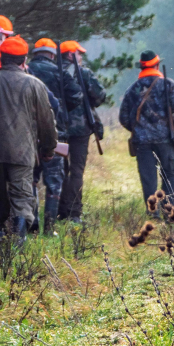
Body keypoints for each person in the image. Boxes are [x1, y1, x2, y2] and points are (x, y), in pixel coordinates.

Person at [0, 37, 58, 239]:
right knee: (22, 198)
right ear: (23, 59)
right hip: (22, 152)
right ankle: (16, 245)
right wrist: (49, 149)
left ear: (2, 58)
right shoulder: (34, 84)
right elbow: (47, 121)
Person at [118, 51, 174, 212]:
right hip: (165, 140)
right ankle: (170, 213)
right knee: (169, 176)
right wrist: (173, 130)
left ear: (141, 67)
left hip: (142, 143)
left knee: (149, 180)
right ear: (157, 65)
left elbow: (123, 117)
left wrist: (137, 130)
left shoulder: (133, 89)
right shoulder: (168, 85)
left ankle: (153, 214)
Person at [28, 38, 81, 233]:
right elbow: (76, 96)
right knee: (54, 183)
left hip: (30, 134)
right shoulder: (60, 72)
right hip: (56, 132)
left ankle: (32, 225)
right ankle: (49, 228)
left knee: (32, 180)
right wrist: (62, 112)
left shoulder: (27, 70)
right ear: (52, 55)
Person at [57, 41, 106, 222]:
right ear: (70, 55)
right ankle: (73, 213)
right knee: (76, 170)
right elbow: (100, 95)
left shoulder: (53, 71)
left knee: (60, 170)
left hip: (57, 127)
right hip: (79, 129)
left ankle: (58, 210)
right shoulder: (83, 73)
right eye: (79, 54)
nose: (81, 58)